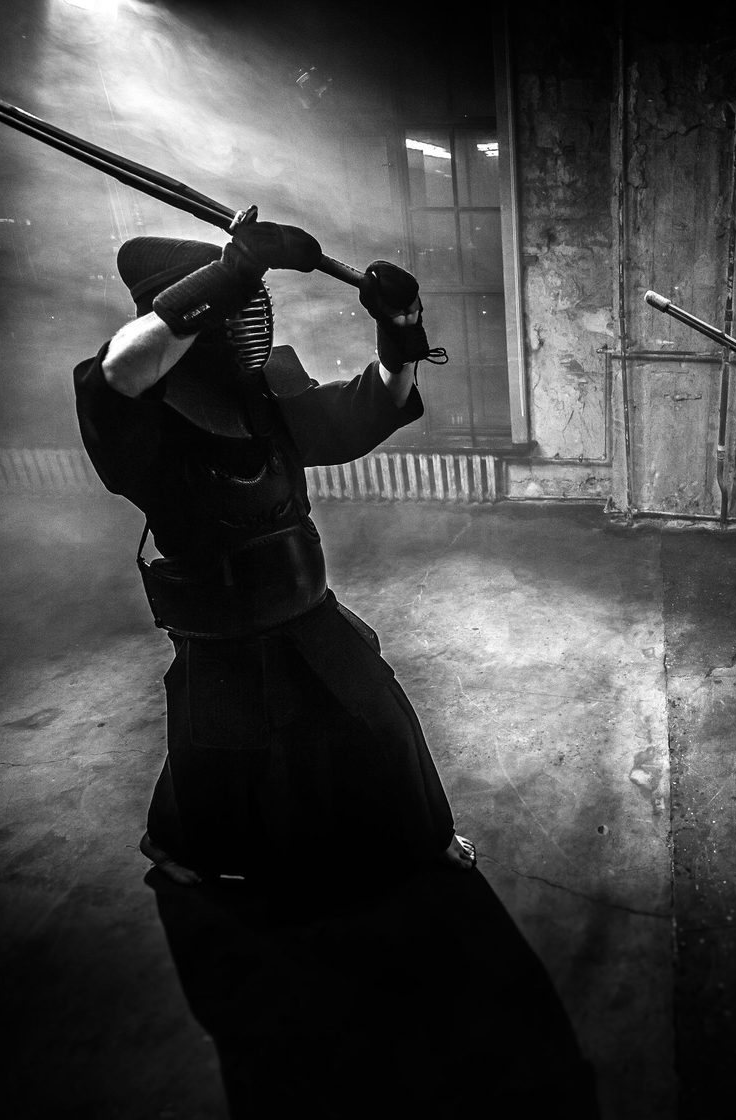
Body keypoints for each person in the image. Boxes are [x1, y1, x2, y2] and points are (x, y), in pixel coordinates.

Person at [74, 213, 475, 892]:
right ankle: (174, 845)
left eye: (246, 299)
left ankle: (420, 834)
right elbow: (117, 372)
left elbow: (371, 404)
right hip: (221, 630)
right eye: (232, 302)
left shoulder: (262, 397)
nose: (245, 316)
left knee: (380, 720)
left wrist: (401, 330)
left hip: (306, 608)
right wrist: (231, 273)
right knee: (214, 756)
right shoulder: (135, 413)